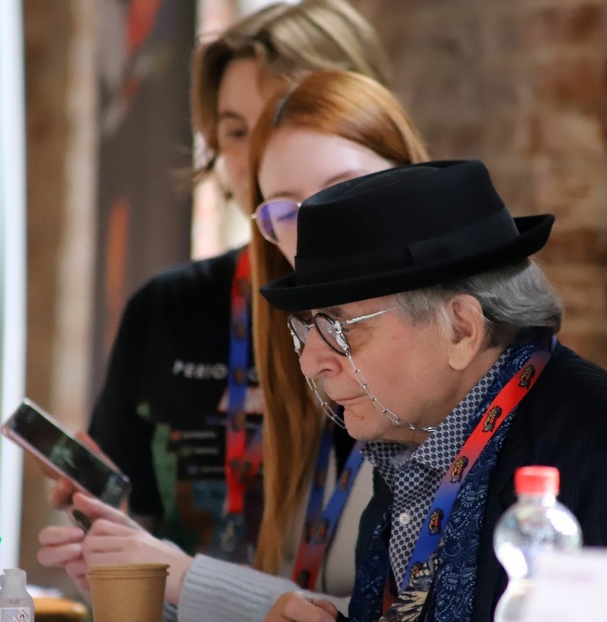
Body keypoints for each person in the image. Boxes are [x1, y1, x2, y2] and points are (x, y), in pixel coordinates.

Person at [38, 70, 430, 620]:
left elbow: (403, 612)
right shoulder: (297, 355)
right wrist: (142, 582)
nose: (315, 230)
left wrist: (182, 576)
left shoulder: (439, 365)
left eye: (341, 190)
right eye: (285, 212)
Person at [261, 160, 607, 622]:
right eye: (308, 327)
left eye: (340, 328)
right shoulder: (409, 435)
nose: (310, 361)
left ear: (461, 330)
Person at [43, 0, 389, 556]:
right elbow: (130, 540)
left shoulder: (414, 316)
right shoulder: (166, 307)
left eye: (281, 119)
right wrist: (104, 517)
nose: (255, 156)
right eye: (235, 131)